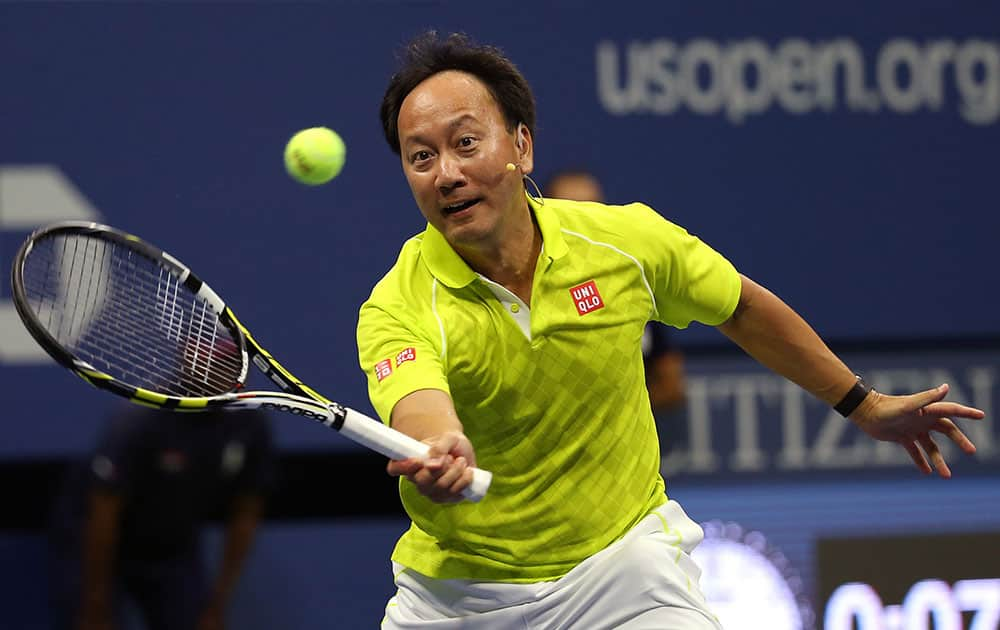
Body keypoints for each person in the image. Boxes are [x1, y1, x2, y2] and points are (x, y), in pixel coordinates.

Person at [358, 31, 984, 629]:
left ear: (522, 146)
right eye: (421, 157)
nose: (445, 173)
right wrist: (441, 446)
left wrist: (862, 404)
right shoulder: (397, 304)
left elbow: (739, 306)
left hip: (621, 568)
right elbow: (418, 403)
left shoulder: (623, 242)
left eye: (466, 143)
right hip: (461, 595)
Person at [48, 405, 275, 630]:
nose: (213, 372)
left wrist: (217, 604)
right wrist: (94, 608)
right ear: (185, 365)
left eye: (231, 367)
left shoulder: (249, 426)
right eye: (204, 365)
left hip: (172, 547)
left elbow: (246, 512)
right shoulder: (137, 422)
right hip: (94, 543)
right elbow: (103, 513)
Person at [544, 170, 688, 453]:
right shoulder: (519, 293)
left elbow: (672, 386)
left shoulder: (630, 287)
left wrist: (612, 417)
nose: (583, 220)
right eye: (570, 209)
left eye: (593, 208)